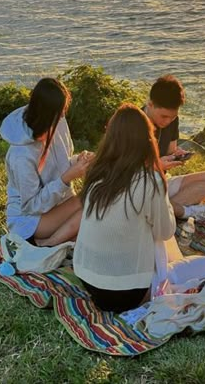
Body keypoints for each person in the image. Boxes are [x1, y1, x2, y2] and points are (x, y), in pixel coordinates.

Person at [73, 104, 177, 313]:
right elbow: (166, 231)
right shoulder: (150, 179)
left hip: (87, 279)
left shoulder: (97, 172)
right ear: (147, 140)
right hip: (129, 291)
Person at [0, 77, 92, 246]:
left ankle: (57, 240)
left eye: (64, 109)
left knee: (93, 226)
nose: (63, 115)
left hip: (59, 205)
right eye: (60, 112)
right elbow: (31, 205)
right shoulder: (22, 154)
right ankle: (47, 243)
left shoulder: (58, 122)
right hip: (30, 219)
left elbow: (60, 164)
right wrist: (66, 178)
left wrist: (78, 161)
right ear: (47, 114)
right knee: (90, 199)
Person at [144, 75, 205, 222]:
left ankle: (164, 211)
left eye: (172, 117)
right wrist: (156, 165)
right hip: (138, 189)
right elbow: (122, 169)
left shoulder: (171, 121)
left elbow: (170, 150)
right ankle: (185, 212)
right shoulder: (132, 124)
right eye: (164, 116)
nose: (168, 121)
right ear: (150, 104)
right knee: (146, 205)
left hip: (162, 183)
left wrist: (176, 155)